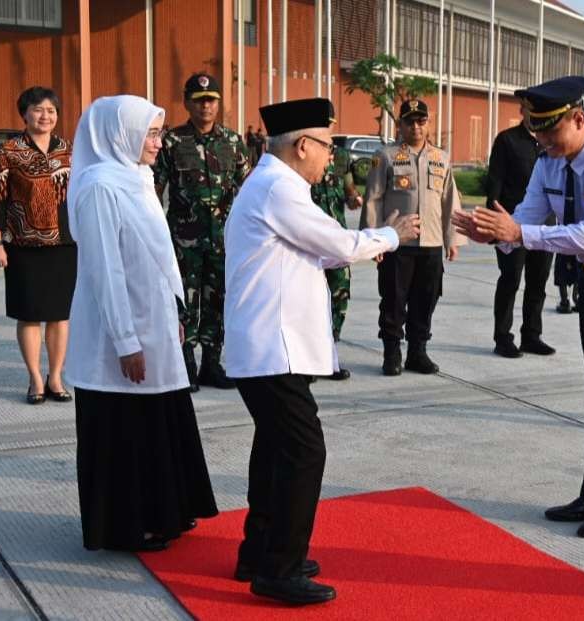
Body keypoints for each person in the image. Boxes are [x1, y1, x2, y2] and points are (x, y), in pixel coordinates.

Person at [453, 76, 584, 539]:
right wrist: (494, 235)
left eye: (550, 131)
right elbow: (525, 219)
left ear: (578, 118)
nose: (543, 141)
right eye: (537, 132)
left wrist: (517, 234)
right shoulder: (548, 164)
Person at [224, 97, 419, 605]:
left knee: (274, 451)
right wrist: (390, 236)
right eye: (327, 146)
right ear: (302, 145)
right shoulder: (277, 189)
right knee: (304, 452)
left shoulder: (276, 185)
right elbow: (336, 245)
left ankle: (262, 552)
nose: (331, 157)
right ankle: (279, 569)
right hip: (273, 348)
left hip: (273, 347)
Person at [65, 95, 218, 552]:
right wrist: (125, 340)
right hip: (118, 333)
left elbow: (160, 256)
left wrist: (174, 314)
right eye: (151, 133)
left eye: (159, 133)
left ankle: (164, 511)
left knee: (158, 422)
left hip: (153, 322)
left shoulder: (138, 178)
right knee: (124, 431)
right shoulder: (99, 187)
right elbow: (105, 269)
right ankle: (127, 524)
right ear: (121, 133)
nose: (159, 142)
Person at [152, 73, 251, 391]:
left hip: (224, 240)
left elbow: (249, 191)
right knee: (184, 302)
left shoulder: (234, 143)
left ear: (219, 103)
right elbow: (153, 191)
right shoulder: (171, 142)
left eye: (210, 100)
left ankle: (212, 362)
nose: (205, 106)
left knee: (219, 301)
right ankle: (185, 363)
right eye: (198, 101)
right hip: (182, 241)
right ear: (186, 103)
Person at [0, 86, 76, 404]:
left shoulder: (69, 150)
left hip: (64, 244)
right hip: (22, 245)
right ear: (24, 114)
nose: (45, 115)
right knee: (30, 314)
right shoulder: (8, 152)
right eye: (38, 109)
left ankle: (56, 376)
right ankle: (36, 378)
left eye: (51, 110)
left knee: (60, 314)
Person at [360, 99, 465, 376]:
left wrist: (452, 238)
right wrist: (373, 241)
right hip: (398, 243)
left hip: (431, 243)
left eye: (421, 121)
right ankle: (392, 353)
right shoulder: (386, 156)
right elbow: (373, 199)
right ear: (400, 125)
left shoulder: (440, 158)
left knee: (426, 299)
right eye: (410, 121)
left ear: (428, 123)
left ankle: (417, 352)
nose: (416, 127)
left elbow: (449, 201)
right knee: (393, 299)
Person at [486, 106, 555, 358]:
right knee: (510, 280)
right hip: (511, 224)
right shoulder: (508, 140)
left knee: (538, 282)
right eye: (530, 109)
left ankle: (532, 335)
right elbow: (495, 182)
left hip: (544, 226)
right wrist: (493, 225)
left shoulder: (550, 142)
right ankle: (503, 337)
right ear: (522, 111)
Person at [309, 137, 363, 379]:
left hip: (337, 239)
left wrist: (354, 198)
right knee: (308, 301)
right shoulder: (304, 154)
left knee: (339, 296)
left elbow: (349, 188)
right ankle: (306, 362)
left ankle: (328, 357)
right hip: (309, 239)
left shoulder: (341, 156)